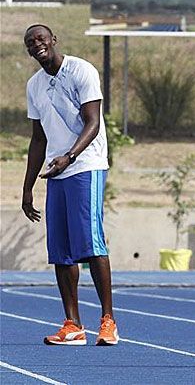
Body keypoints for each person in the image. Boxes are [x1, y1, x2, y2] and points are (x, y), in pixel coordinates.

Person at [21, 24, 119, 346]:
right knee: (61, 252)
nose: (37, 44)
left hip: (85, 166)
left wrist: (71, 156)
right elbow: (38, 139)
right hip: (56, 172)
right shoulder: (34, 85)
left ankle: (108, 321)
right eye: (30, 42)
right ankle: (73, 324)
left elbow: (93, 121)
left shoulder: (81, 71)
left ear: (53, 41)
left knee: (91, 244)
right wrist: (27, 187)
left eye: (41, 39)